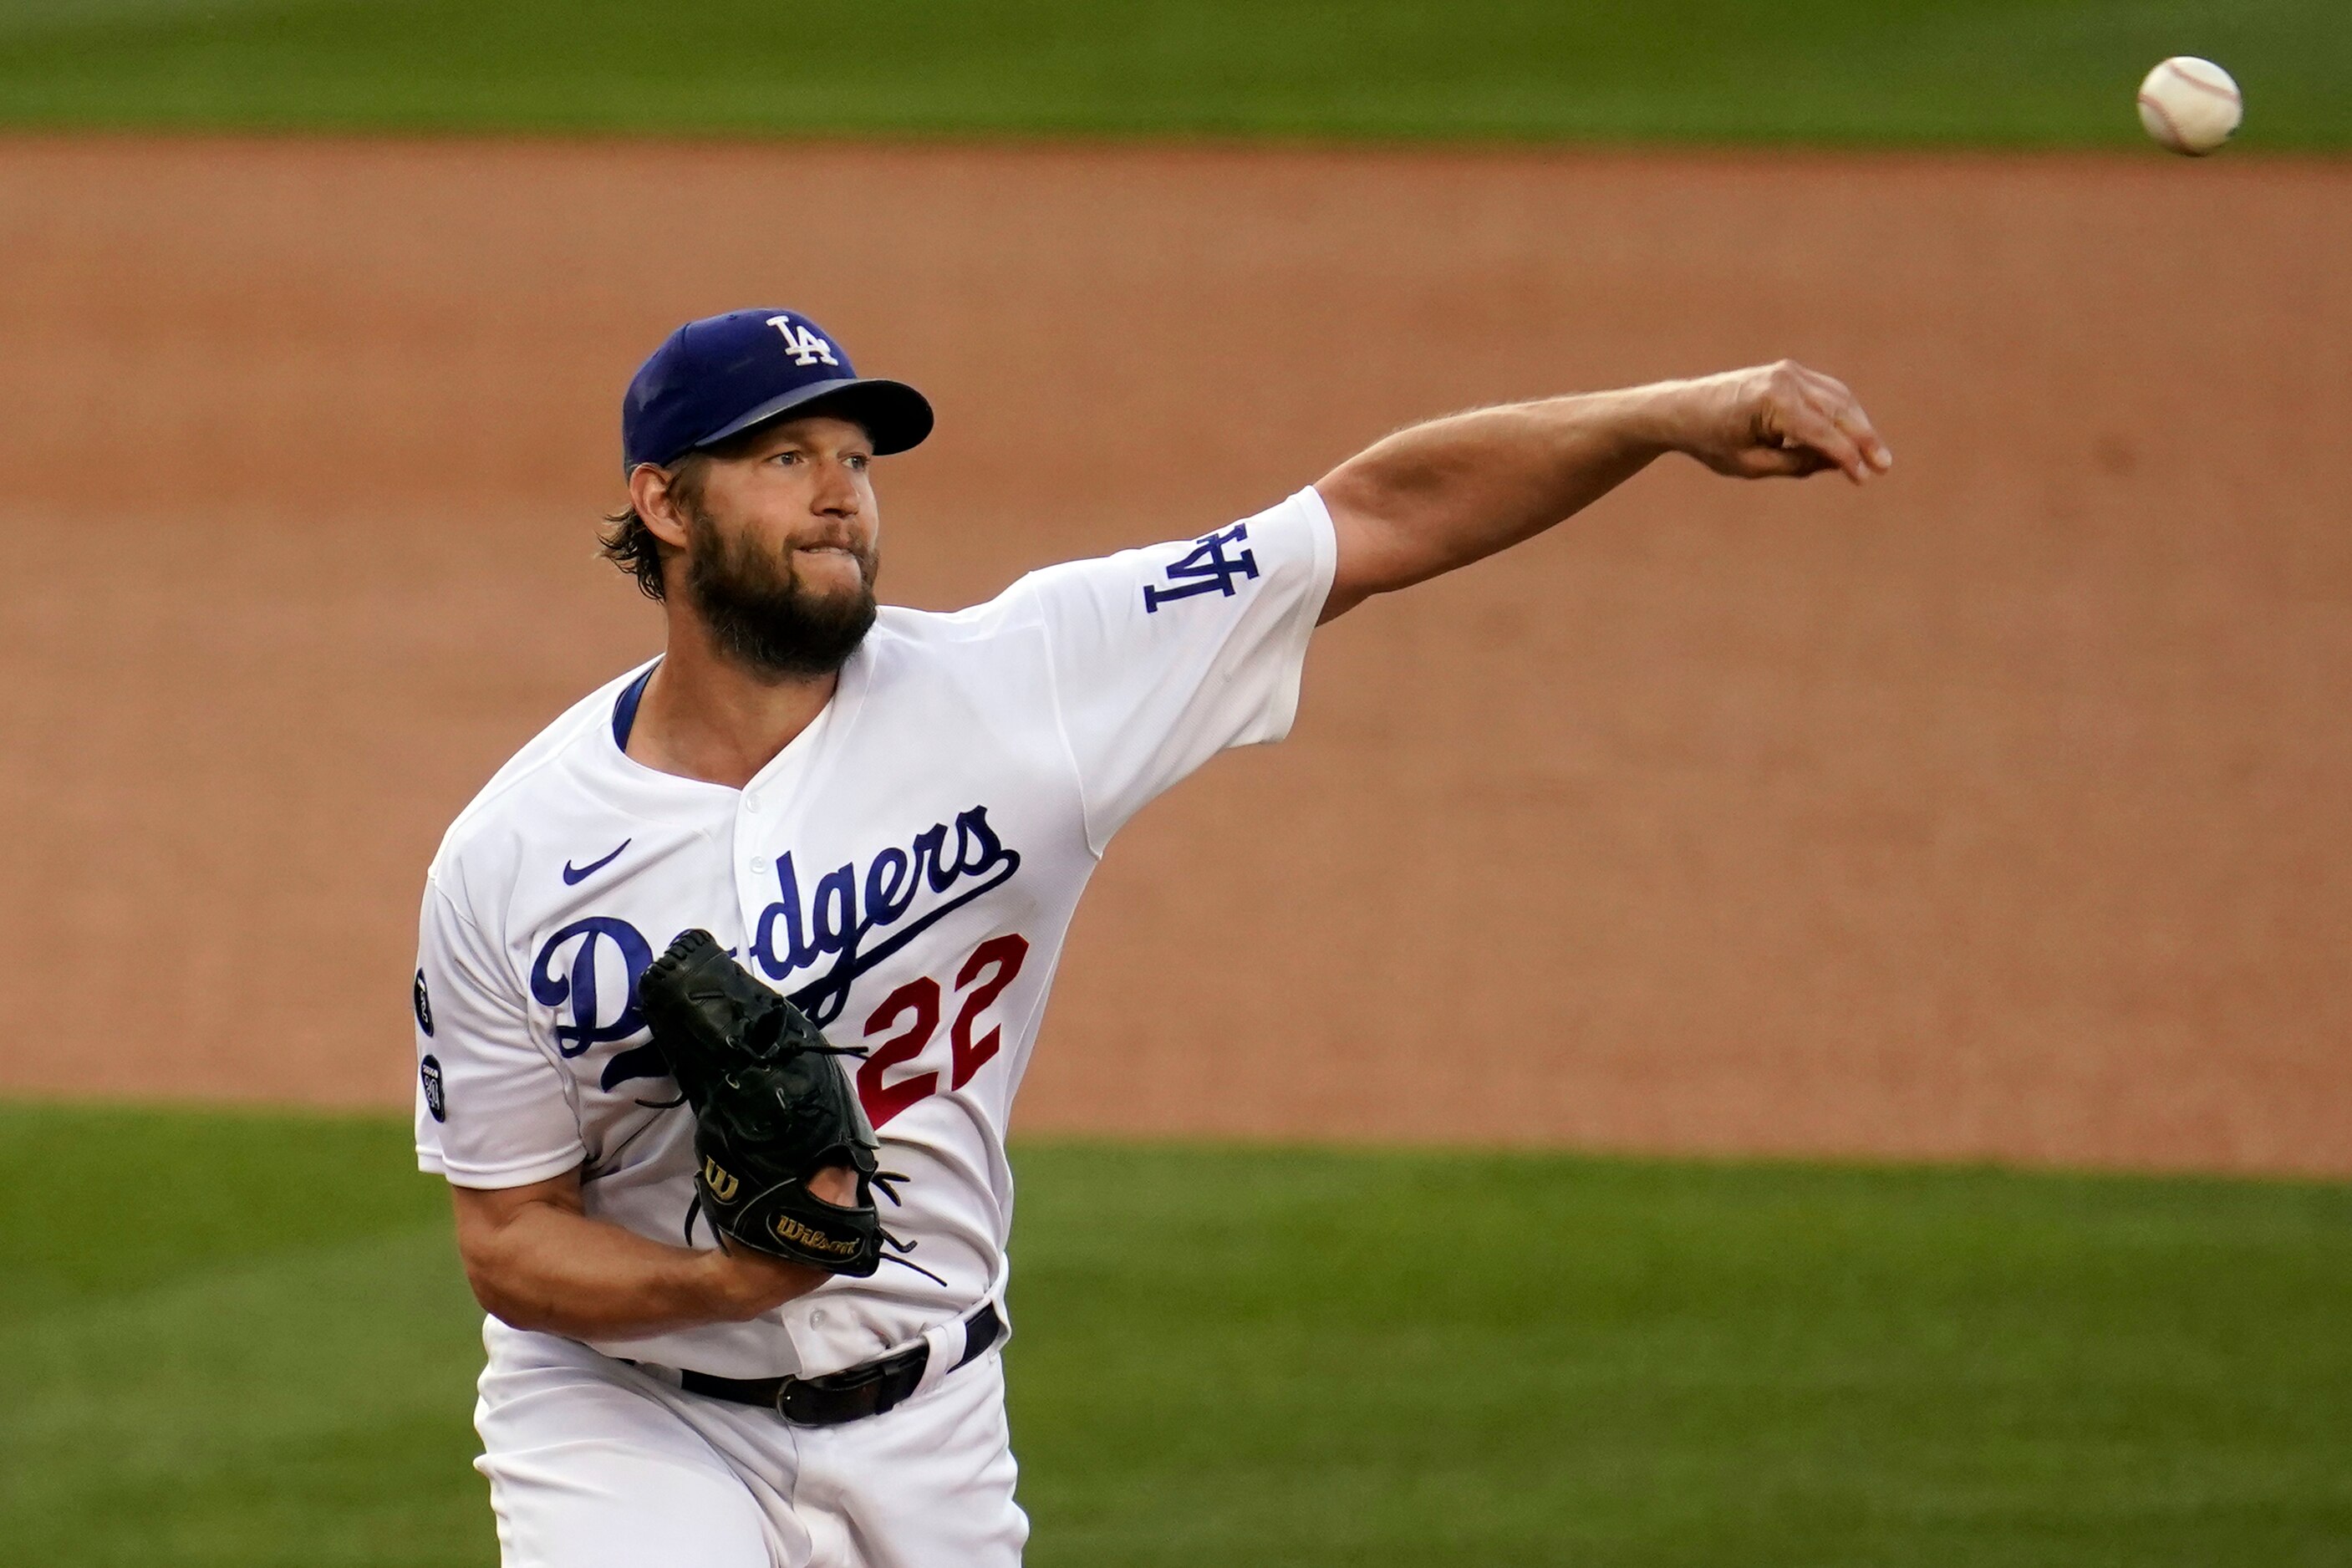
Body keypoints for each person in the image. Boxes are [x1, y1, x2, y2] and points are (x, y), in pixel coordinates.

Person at [412, 307, 1891, 1567]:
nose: (839, 495)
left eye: (856, 459)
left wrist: (1668, 415)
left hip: (930, 1423)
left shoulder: (1027, 682)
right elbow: (511, 1240)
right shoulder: (513, 857)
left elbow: (1364, 520)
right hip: (627, 1420)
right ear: (665, 506)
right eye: (784, 457)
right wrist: (736, 1284)